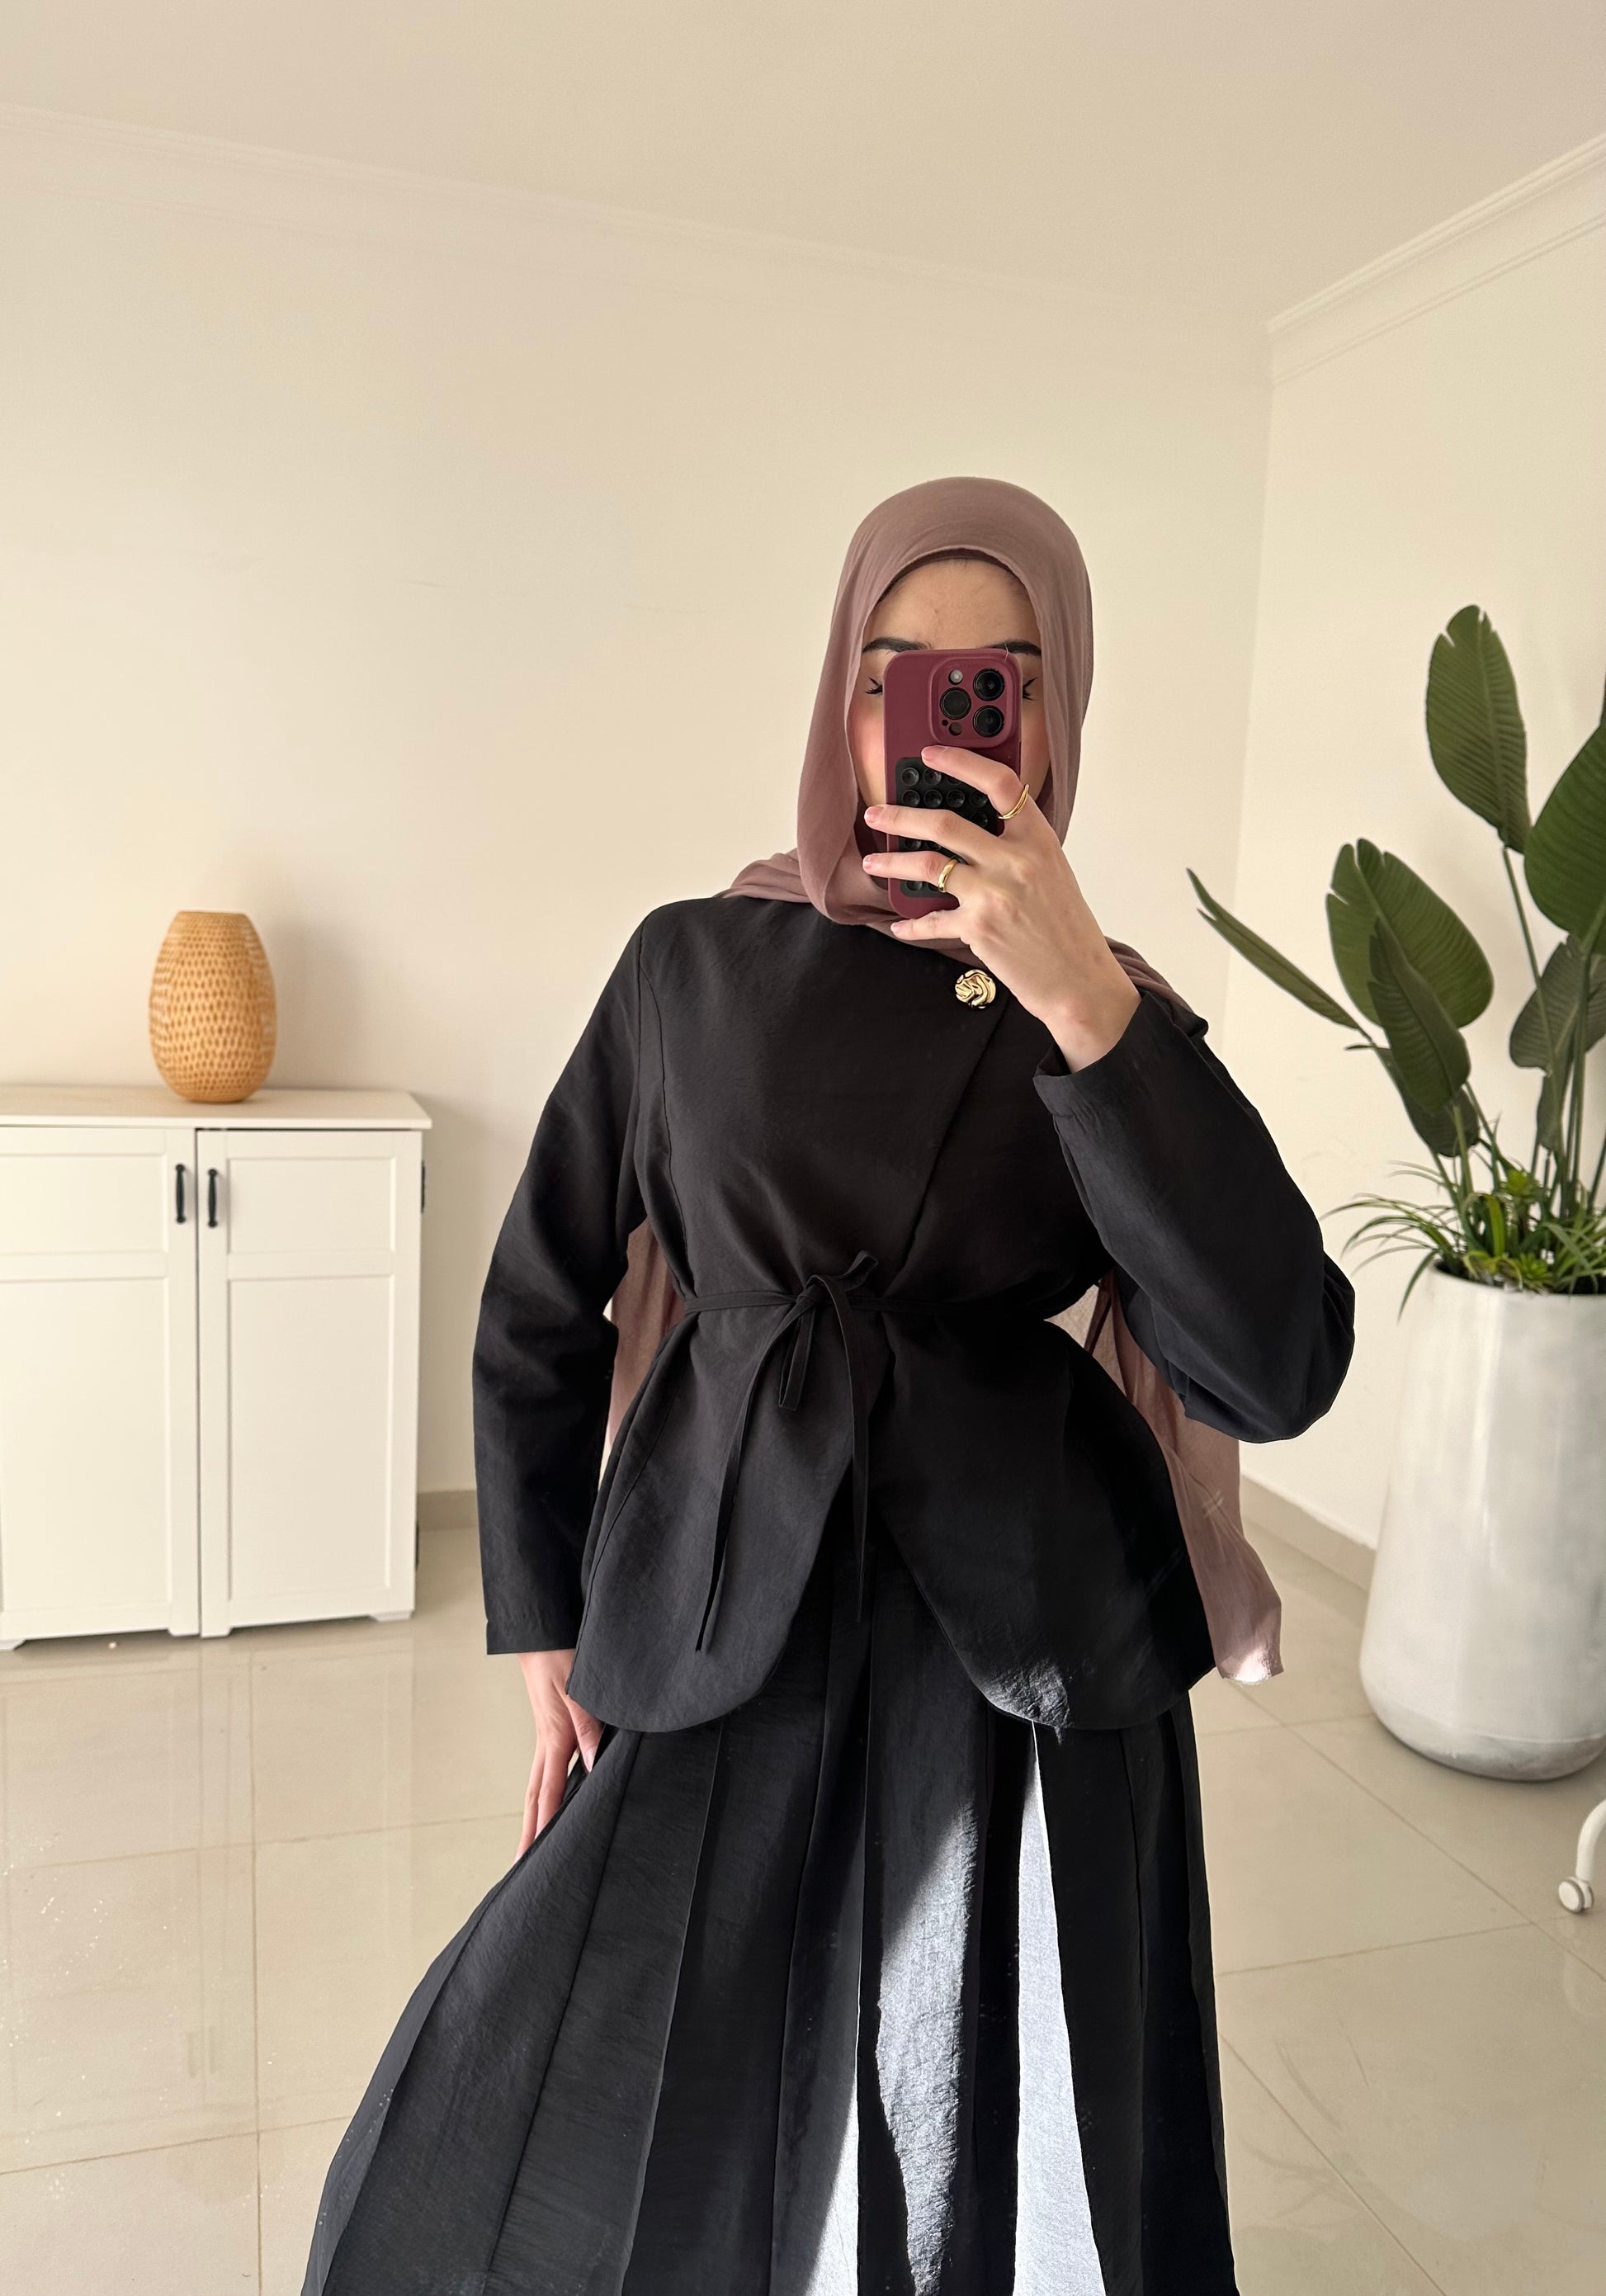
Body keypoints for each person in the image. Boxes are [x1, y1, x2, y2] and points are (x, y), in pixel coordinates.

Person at [300, 476, 1354, 2296]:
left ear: (1055, 712)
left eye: (1000, 679)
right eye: (897, 671)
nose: (943, 715)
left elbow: (1275, 1362)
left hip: (1022, 1663)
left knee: (996, 2152)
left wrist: (1086, 1008)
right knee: (546, 2096)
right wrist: (546, 1621)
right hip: (712, 1602)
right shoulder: (692, 960)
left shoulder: (1114, 1008)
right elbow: (540, 1296)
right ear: (840, 697)